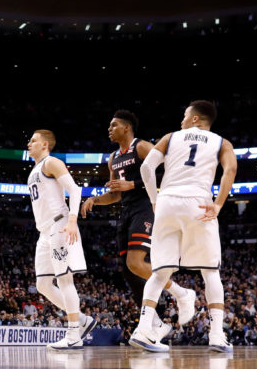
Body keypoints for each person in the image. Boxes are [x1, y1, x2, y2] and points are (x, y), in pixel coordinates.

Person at [131, 100, 238, 353]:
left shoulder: (170, 137)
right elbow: (230, 170)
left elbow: (147, 168)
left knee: (160, 271)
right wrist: (219, 205)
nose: (181, 120)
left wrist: (155, 200)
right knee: (210, 271)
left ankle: (144, 329)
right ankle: (216, 335)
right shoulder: (222, 143)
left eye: (184, 116)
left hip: (167, 201)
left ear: (195, 119)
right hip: (199, 203)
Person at [81, 110, 195, 341]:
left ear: (126, 127)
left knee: (135, 261)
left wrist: (131, 185)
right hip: (126, 211)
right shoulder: (113, 157)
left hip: (146, 207)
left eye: (113, 125)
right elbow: (115, 194)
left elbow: (165, 174)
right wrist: (95, 199)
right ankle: (156, 323)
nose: (109, 129)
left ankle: (182, 293)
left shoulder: (141, 147)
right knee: (128, 269)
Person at [25, 130, 97, 350]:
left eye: (33, 140)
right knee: (43, 284)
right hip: (44, 231)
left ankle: (74, 334)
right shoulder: (34, 170)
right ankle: (83, 320)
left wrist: (72, 220)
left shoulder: (51, 162)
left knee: (65, 280)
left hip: (60, 225)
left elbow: (75, 190)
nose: (29, 143)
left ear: (45, 144)